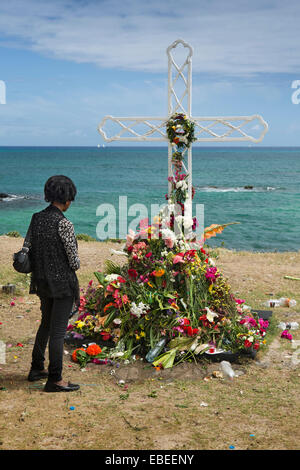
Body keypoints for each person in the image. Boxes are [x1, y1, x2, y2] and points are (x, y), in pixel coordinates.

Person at [27, 175, 81, 392]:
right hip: (62, 285)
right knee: (58, 331)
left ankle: (36, 368)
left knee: (46, 324)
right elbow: (74, 261)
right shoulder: (64, 223)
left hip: (42, 281)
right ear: (67, 198)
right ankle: (55, 379)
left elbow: (29, 248)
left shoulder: (36, 218)